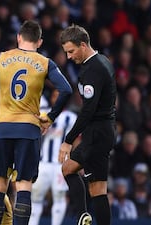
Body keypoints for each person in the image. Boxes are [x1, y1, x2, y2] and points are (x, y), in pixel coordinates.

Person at [0, 20, 73, 225]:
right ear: (40, 41)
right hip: (29, 127)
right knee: (23, 185)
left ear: (18, 37)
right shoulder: (45, 63)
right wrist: (50, 118)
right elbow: (67, 90)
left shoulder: (2, 57)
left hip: (3, 126)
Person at [58, 24, 117, 225]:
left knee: (97, 190)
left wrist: (68, 140)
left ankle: (84, 216)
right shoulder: (102, 62)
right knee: (69, 169)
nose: (68, 57)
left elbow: (88, 110)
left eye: (71, 51)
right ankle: (83, 215)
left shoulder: (94, 69)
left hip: (97, 134)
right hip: (101, 131)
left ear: (83, 45)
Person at [29, 92, 77, 225]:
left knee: (60, 197)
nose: (57, 97)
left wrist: (76, 161)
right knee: (35, 197)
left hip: (61, 164)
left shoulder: (72, 118)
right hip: (43, 163)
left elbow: (77, 141)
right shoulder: (43, 114)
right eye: (55, 94)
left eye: (61, 94)